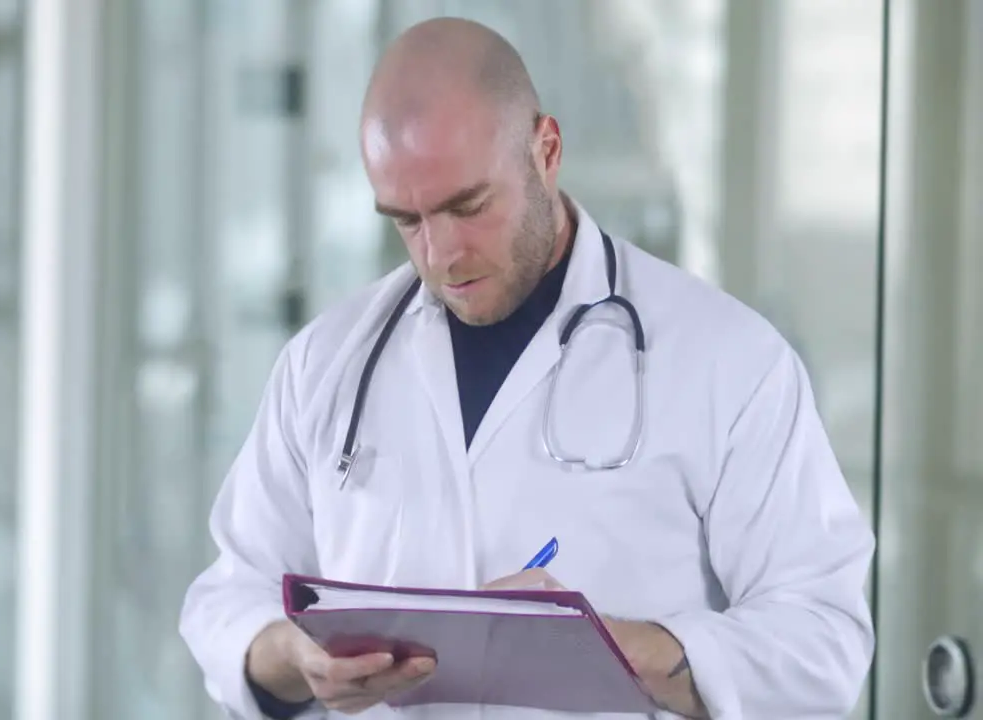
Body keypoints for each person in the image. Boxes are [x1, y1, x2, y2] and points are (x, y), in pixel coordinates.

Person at [179, 16, 874, 720]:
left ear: (546, 149)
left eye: (467, 207)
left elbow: (823, 643)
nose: (440, 255)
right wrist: (293, 656)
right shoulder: (325, 364)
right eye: (407, 221)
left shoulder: (727, 360)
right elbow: (228, 597)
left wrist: (619, 649)